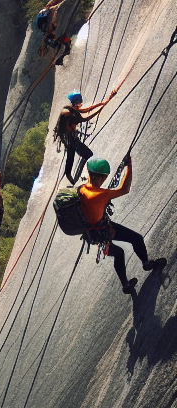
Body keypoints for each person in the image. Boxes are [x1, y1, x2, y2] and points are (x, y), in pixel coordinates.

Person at [79, 155, 166, 295]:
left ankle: (126, 285)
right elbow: (124, 189)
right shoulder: (99, 194)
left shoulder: (83, 188)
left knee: (118, 253)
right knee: (136, 239)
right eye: (105, 177)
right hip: (102, 231)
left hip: (92, 234)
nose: (106, 179)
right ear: (99, 177)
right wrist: (129, 166)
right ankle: (146, 264)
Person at [55, 90, 116, 184]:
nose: (80, 104)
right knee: (83, 155)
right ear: (76, 102)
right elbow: (86, 118)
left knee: (72, 156)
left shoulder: (72, 110)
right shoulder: (71, 113)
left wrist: (102, 103)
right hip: (70, 139)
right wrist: (100, 109)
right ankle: (78, 176)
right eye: (79, 102)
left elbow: (87, 110)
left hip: (70, 138)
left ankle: (70, 175)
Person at [36, 0, 72, 64]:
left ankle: (63, 54)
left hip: (49, 23)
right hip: (50, 26)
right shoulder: (49, 26)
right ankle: (62, 55)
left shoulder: (49, 12)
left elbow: (50, 6)